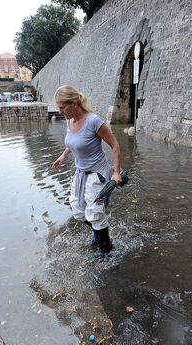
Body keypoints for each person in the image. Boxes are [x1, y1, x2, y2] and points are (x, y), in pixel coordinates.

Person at [51, 85, 122, 256]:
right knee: (78, 212)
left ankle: (106, 249)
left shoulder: (94, 122)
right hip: (80, 173)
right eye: (58, 107)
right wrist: (63, 155)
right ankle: (99, 233)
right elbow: (74, 142)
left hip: (97, 174)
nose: (60, 111)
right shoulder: (70, 121)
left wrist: (116, 172)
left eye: (63, 107)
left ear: (74, 103)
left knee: (95, 214)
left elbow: (115, 145)